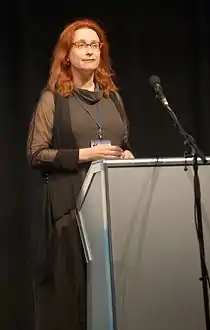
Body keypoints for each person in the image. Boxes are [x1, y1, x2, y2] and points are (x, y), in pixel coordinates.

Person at [26, 17, 134, 330]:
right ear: (67, 55)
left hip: (108, 212)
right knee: (72, 303)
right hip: (69, 211)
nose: (89, 51)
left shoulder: (112, 98)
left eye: (94, 45)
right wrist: (86, 155)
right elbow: (36, 154)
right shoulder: (54, 100)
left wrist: (126, 155)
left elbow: (123, 143)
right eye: (81, 45)